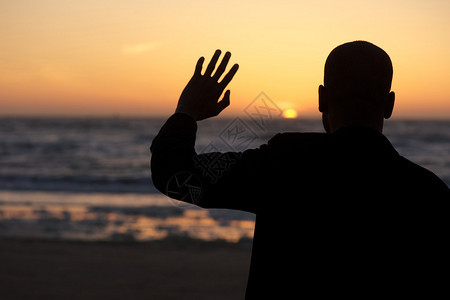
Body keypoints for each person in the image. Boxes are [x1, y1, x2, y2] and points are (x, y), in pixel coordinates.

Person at [151, 41, 449, 298]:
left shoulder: (284, 162)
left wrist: (186, 113)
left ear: (321, 98)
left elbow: (176, 178)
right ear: (389, 104)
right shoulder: (429, 192)